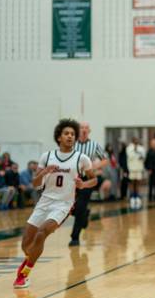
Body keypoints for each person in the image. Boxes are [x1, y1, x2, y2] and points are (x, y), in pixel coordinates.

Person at [14, 119, 95, 288]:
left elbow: (94, 179)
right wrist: (43, 172)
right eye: (66, 134)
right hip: (44, 202)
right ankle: (29, 260)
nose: (70, 136)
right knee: (26, 245)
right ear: (59, 137)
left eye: (73, 134)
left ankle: (24, 274)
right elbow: (36, 184)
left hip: (63, 204)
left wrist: (83, 184)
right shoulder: (47, 156)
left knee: (42, 233)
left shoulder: (82, 158)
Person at [70, 121, 107, 246]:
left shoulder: (94, 145)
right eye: (82, 128)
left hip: (88, 179)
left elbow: (105, 160)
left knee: (80, 205)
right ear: (78, 130)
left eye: (86, 128)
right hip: (73, 179)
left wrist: (96, 165)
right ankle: (84, 215)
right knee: (72, 207)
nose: (84, 130)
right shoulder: (72, 144)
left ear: (89, 131)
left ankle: (75, 237)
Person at [126, 137, 146, 208]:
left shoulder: (141, 148)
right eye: (135, 140)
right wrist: (135, 151)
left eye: (137, 140)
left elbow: (143, 157)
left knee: (138, 182)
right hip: (131, 168)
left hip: (139, 168)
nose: (136, 141)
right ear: (132, 141)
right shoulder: (129, 148)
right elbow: (130, 156)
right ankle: (132, 196)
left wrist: (138, 154)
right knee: (132, 182)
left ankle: (137, 196)